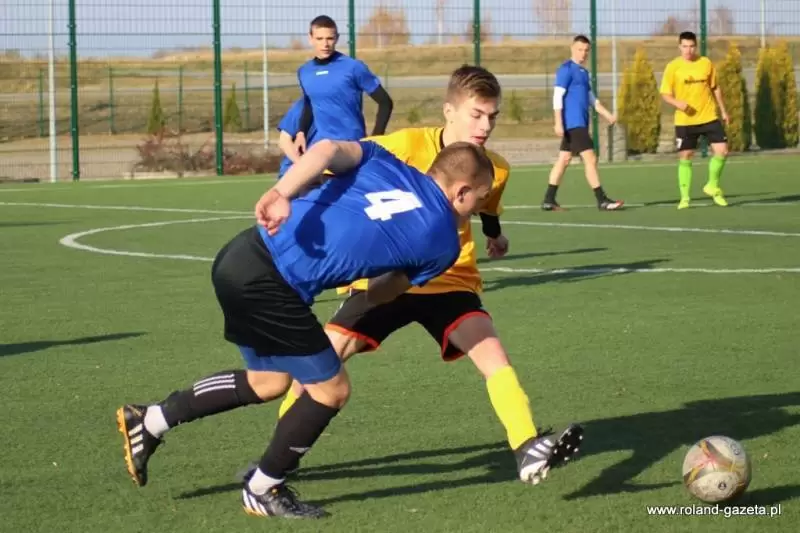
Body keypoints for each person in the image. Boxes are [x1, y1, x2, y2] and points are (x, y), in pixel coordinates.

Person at [115, 138, 495, 519]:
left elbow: (326, 148)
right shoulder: (444, 242)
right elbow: (380, 293)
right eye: (479, 200)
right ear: (461, 192)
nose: (478, 210)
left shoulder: (384, 160)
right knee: (332, 390)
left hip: (241, 254)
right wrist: (376, 271)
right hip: (271, 286)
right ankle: (263, 488)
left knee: (269, 382)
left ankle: (150, 420)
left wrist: (281, 193)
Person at [267, 65, 584, 487]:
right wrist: (303, 194)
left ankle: (526, 446)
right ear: (449, 111)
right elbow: (341, 159)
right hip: (386, 279)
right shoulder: (406, 145)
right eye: (476, 114)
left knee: (493, 356)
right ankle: (277, 458)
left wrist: (495, 236)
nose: (485, 126)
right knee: (321, 360)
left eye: (492, 116)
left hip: (450, 280)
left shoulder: (496, 168)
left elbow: (488, 208)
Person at [541, 35, 623, 212]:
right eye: (580, 49)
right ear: (572, 48)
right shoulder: (566, 69)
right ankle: (602, 200)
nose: (583, 53)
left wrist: (607, 115)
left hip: (578, 124)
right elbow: (557, 97)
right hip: (574, 124)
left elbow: (592, 100)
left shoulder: (584, 73)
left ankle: (549, 199)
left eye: (586, 50)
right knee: (590, 158)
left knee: (564, 159)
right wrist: (558, 122)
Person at [295, 15, 393, 155]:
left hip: (352, 146)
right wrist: (301, 133)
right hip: (321, 147)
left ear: (337, 38)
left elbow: (385, 102)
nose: (325, 44)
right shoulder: (304, 71)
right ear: (310, 39)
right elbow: (309, 104)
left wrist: (375, 139)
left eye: (330, 38)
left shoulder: (353, 67)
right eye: (319, 39)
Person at [659, 31, 730, 209]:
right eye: (685, 46)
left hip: (709, 116)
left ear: (695, 46)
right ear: (679, 47)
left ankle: (712, 186)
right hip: (685, 120)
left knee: (722, 151)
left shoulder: (706, 63)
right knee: (686, 156)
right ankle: (685, 198)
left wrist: (723, 111)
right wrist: (678, 103)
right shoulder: (673, 67)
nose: (688, 50)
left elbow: (715, 87)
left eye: (691, 46)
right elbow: (665, 93)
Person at [276, 98, 317, 178]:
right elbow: (284, 141)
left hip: (326, 173)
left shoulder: (338, 108)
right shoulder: (302, 106)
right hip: (295, 173)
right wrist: (303, 166)